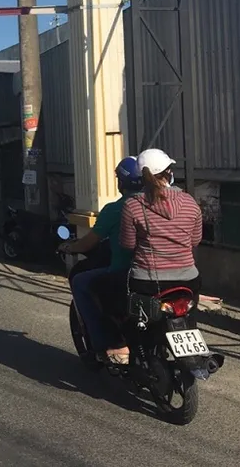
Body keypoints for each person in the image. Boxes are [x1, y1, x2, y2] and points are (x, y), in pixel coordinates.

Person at [103, 147, 203, 365]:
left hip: (148, 281)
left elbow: (128, 245)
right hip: (188, 279)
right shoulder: (190, 203)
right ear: (169, 173)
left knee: (122, 309)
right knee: (189, 313)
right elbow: (195, 241)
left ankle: (129, 351)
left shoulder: (132, 205)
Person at [59, 157, 142, 360]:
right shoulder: (168, 205)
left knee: (80, 281)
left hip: (128, 272)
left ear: (122, 182)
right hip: (182, 274)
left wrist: (70, 247)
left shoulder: (119, 209)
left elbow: (90, 243)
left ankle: (104, 343)